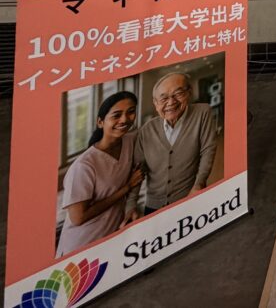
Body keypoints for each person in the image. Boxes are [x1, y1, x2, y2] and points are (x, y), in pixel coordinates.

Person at [57, 92, 143, 257]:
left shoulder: (130, 142)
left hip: (110, 240)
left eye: (131, 112)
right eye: (116, 115)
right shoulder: (84, 166)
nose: (124, 119)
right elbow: (78, 218)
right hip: (81, 245)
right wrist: (126, 188)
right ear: (100, 122)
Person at [129, 72, 217, 215]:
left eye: (178, 94)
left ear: (189, 93)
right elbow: (138, 170)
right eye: (163, 98)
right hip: (154, 206)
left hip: (190, 198)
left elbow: (208, 150)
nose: (171, 102)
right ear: (155, 103)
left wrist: (199, 184)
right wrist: (131, 206)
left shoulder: (202, 112)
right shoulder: (146, 130)